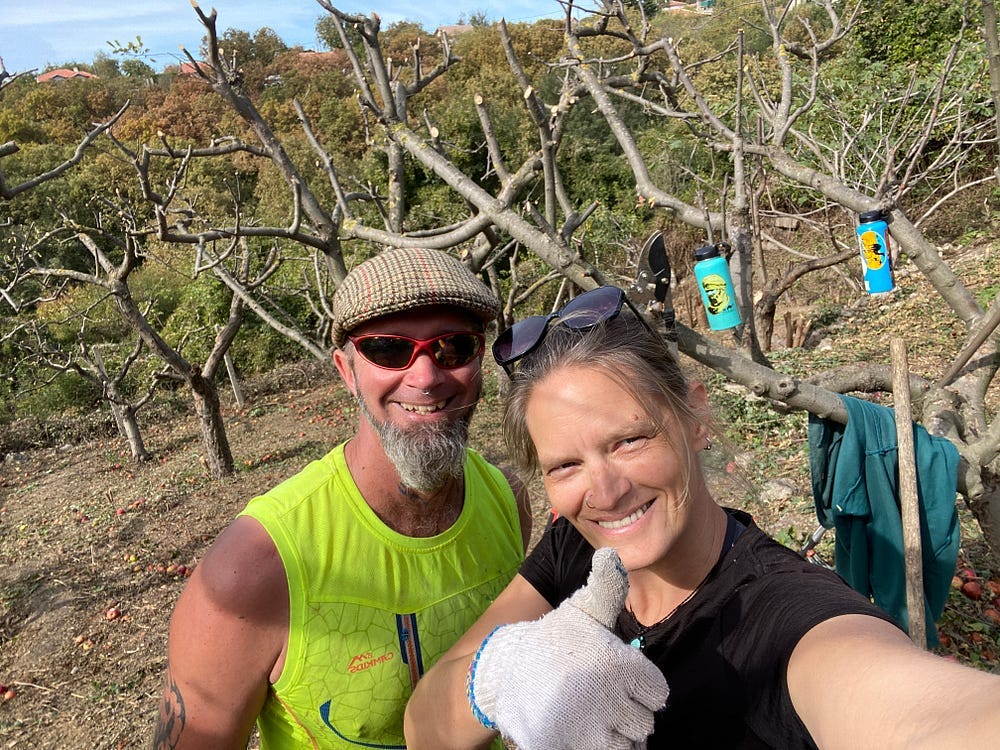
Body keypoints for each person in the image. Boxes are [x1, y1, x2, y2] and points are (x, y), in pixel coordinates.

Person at [403, 284, 1000, 750]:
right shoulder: (576, 551)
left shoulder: (784, 616)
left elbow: (919, 715)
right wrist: (496, 679)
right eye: (565, 466)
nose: (604, 492)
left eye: (630, 440)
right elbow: (422, 728)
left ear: (695, 418)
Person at [153, 247, 532, 749]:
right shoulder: (253, 569)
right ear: (346, 370)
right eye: (389, 350)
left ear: (480, 359)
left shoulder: (507, 500)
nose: (425, 377)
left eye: (454, 348)